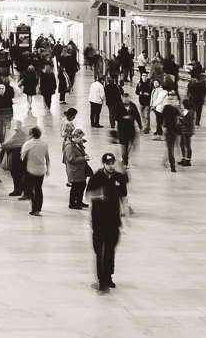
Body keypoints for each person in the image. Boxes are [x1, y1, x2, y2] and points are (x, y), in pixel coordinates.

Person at [86, 153, 128, 290]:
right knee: (99, 249)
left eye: (112, 163)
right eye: (108, 163)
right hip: (98, 218)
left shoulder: (119, 178)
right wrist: (99, 195)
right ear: (103, 164)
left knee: (110, 248)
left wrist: (125, 213)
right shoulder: (96, 178)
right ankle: (101, 278)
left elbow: (124, 197)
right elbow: (88, 195)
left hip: (113, 219)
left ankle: (108, 275)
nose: (110, 166)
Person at [19, 127, 49, 216]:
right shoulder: (44, 144)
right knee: (38, 189)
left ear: (31, 134)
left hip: (30, 170)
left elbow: (22, 157)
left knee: (30, 189)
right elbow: (47, 157)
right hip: (41, 170)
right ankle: (38, 208)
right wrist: (48, 169)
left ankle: (34, 208)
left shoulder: (28, 144)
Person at [64, 129, 89, 209]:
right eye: (80, 137)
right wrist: (83, 158)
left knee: (82, 185)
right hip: (74, 170)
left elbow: (82, 152)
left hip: (80, 169)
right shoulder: (69, 146)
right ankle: (72, 203)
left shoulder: (77, 144)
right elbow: (71, 158)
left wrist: (85, 155)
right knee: (75, 187)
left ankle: (79, 201)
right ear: (75, 136)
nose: (81, 139)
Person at [116, 94, 142, 166]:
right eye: (125, 100)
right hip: (122, 130)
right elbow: (116, 118)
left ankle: (125, 158)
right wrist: (124, 118)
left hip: (131, 129)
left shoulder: (132, 106)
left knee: (131, 145)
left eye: (127, 100)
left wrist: (140, 126)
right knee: (124, 145)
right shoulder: (119, 106)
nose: (126, 101)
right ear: (122, 99)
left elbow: (137, 116)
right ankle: (125, 161)